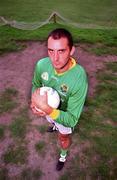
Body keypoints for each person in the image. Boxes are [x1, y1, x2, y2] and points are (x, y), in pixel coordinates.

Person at [30, 28, 88, 171]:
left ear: (71, 50)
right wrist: (34, 102)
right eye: (51, 50)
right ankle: (54, 125)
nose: (55, 58)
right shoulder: (41, 65)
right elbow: (36, 85)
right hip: (47, 110)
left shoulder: (79, 79)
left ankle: (63, 155)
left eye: (61, 51)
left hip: (63, 115)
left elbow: (72, 119)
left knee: (63, 138)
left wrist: (48, 110)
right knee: (52, 120)